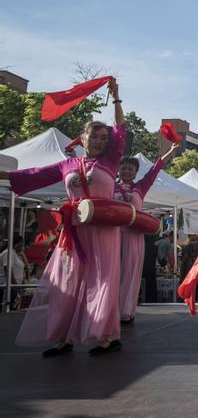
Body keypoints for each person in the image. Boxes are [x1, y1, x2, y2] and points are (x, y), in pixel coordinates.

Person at [0, 79, 126, 356]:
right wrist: (4, 175)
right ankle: (62, 337)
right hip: (75, 232)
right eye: (94, 136)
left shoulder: (110, 161)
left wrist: (117, 98)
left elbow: (120, 129)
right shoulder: (67, 164)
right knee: (66, 282)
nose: (100, 141)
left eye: (104, 138)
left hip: (103, 230)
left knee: (101, 280)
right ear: (82, 139)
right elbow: (32, 176)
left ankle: (107, 335)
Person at [115, 144, 179, 324]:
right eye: (124, 168)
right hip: (112, 236)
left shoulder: (140, 187)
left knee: (130, 273)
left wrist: (169, 152)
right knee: (111, 273)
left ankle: (127, 310)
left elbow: (154, 170)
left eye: (131, 169)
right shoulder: (110, 187)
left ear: (135, 173)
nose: (127, 171)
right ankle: (109, 309)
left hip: (133, 236)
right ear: (118, 170)